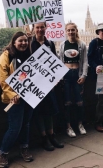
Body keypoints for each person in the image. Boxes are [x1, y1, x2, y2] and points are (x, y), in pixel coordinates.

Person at [0, 31, 33, 167]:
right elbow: (3, 78)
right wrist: (13, 95)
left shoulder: (29, 55)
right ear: (14, 42)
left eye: (25, 41)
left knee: (26, 124)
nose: (23, 43)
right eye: (20, 41)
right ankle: (3, 152)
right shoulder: (7, 56)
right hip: (13, 98)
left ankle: (24, 148)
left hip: (29, 96)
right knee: (14, 127)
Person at [31, 22, 64, 150]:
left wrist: (56, 77)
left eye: (42, 27)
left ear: (46, 28)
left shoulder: (50, 44)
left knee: (49, 110)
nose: (39, 29)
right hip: (34, 83)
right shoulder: (29, 43)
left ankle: (51, 135)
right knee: (39, 111)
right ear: (34, 28)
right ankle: (44, 138)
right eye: (37, 27)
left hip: (48, 83)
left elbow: (54, 61)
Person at [59, 22, 88, 137]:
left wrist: (84, 75)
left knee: (79, 102)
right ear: (66, 32)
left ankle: (80, 124)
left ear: (76, 31)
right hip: (66, 76)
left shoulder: (81, 44)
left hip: (77, 74)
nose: (71, 32)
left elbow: (85, 61)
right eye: (69, 30)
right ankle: (68, 127)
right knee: (67, 102)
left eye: (73, 30)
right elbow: (60, 61)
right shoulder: (62, 45)